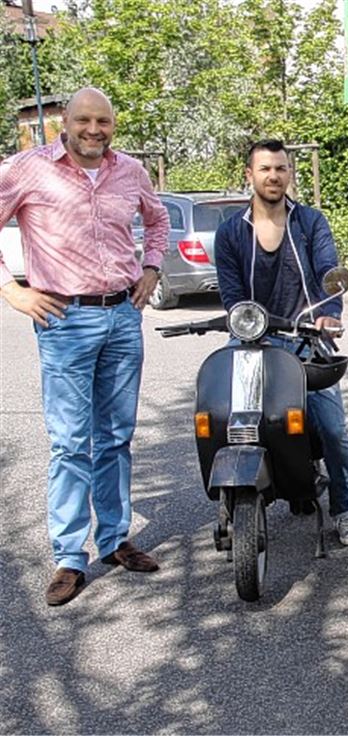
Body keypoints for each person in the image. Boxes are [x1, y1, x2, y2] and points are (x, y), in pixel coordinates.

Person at [0, 87, 170, 605]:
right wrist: (12, 289)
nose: (94, 130)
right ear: (64, 123)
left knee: (115, 437)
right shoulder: (26, 169)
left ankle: (115, 539)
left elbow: (158, 220)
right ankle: (70, 557)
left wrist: (151, 267)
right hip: (64, 319)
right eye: (84, 121)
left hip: (121, 316)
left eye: (104, 121)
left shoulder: (131, 171)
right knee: (71, 443)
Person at [213, 139, 348, 547]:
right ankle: (228, 497)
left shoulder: (310, 222)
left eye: (281, 168)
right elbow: (230, 295)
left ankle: (344, 509)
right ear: (250, 175)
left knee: (334, 430)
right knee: (220, 415)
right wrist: (242, 323)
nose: (274, 176)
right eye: (265, 169)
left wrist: (329, 313)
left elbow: (329, 270)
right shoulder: (230, 233)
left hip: (304, 338)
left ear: (289, 173)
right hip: (250, 341)